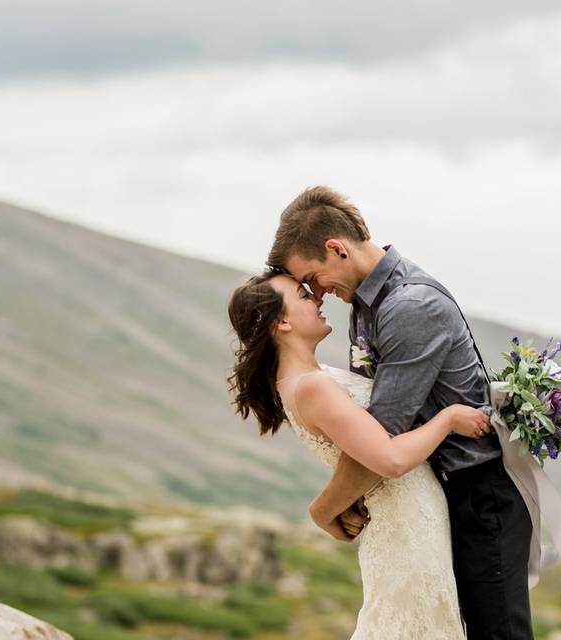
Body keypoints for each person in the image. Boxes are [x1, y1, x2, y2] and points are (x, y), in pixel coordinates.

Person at [264, 186, 535, 640]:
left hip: (480, 494)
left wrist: (326, 508)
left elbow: (381, 437)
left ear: (337, 249)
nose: (316, 292)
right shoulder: (367, 302)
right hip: (439, 495)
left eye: (311, 276)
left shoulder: (408, 306)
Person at [228, 268, 491, 640]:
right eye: (304, 296)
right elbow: (390, 460)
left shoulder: (308, 379)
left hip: (414, 518)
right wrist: (448, 419)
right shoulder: (312, 387)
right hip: (405, 527)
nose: (317, 298)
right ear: (282, 322)